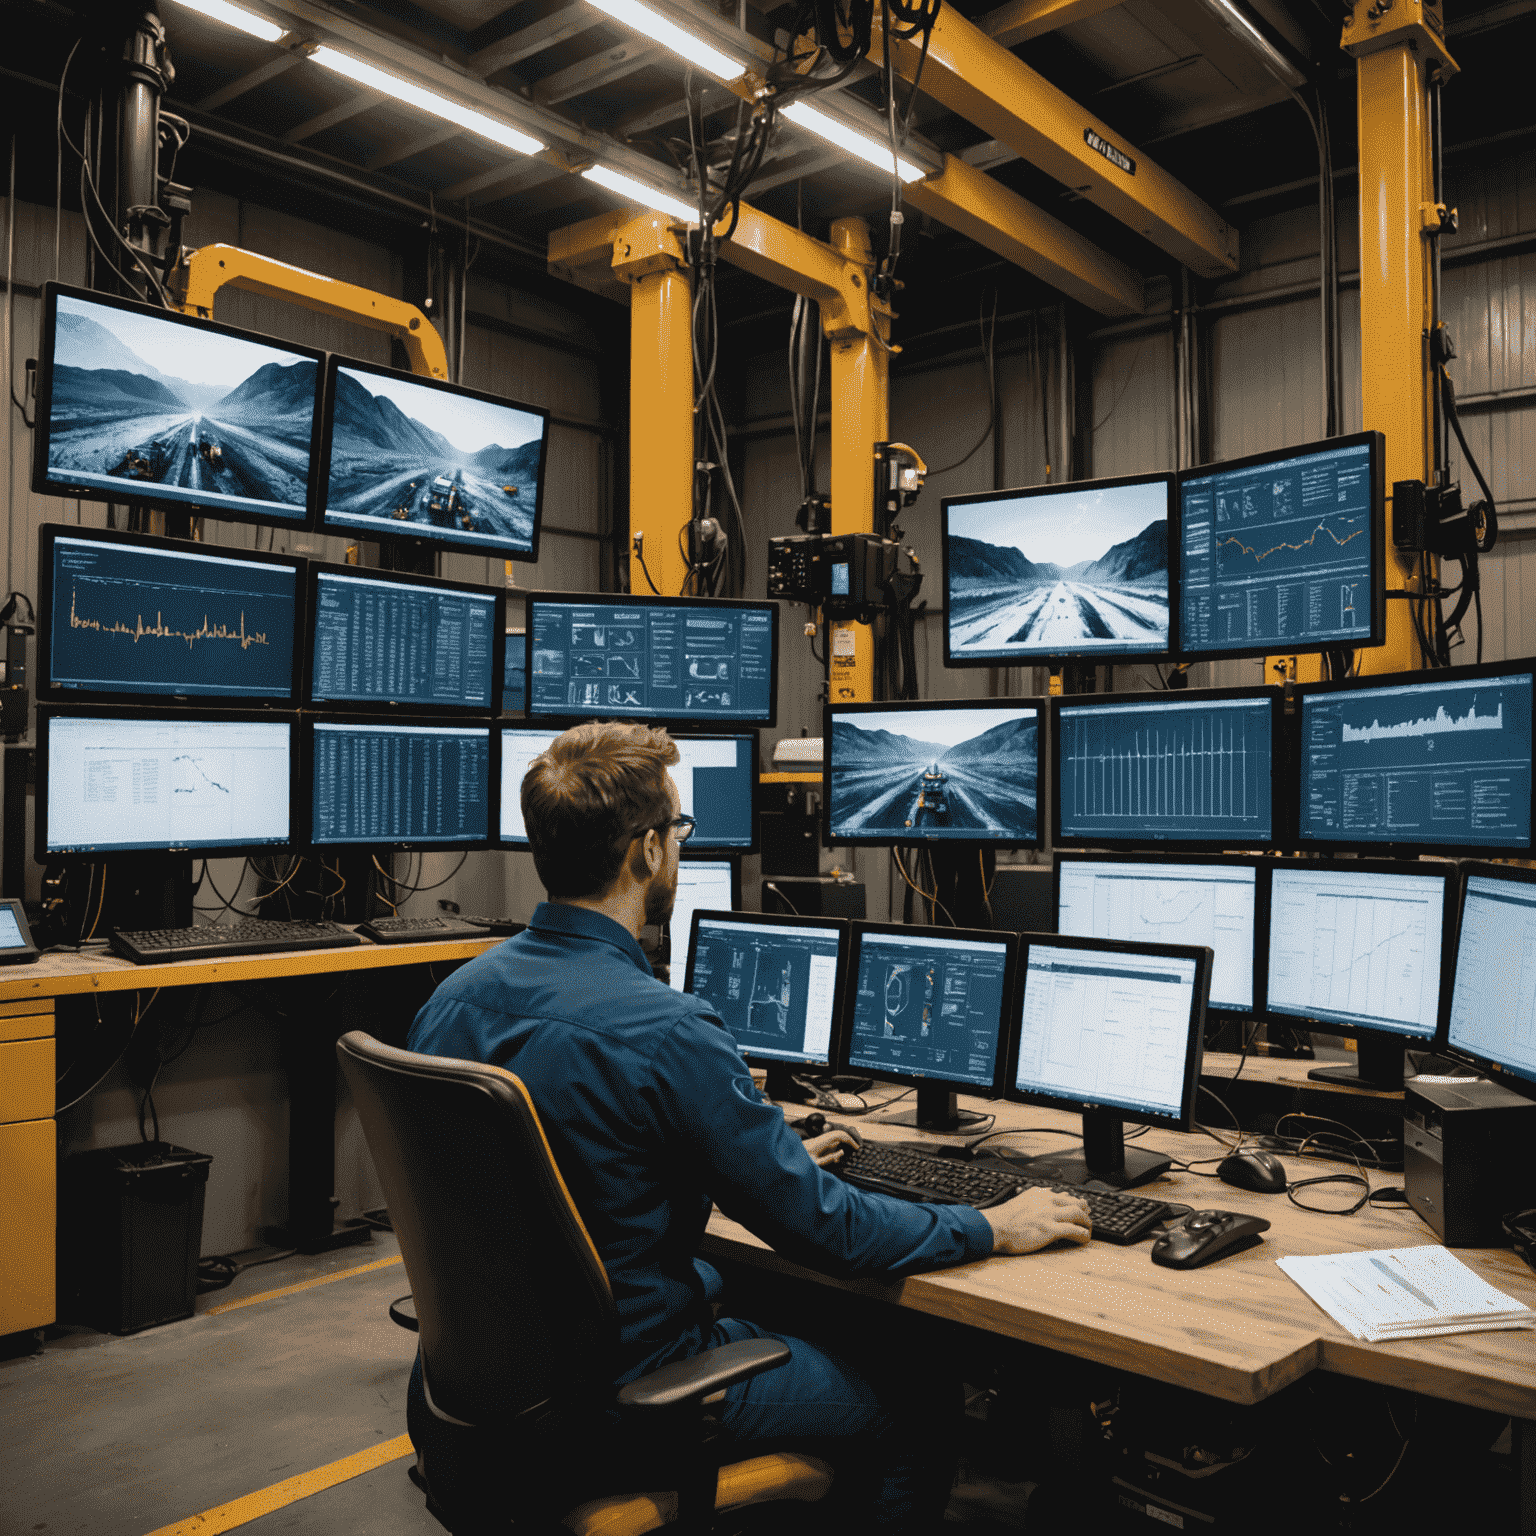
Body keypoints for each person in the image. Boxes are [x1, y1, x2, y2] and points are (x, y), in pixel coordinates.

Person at [407, 720, 1091, 1531]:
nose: (680, 848)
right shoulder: (665, 1029)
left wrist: (752, 1151)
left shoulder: (451, 1000)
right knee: (914, 1394)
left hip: (476, 1401)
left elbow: (570, 1160)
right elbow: (828, 1231)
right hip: (629, 1398)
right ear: (647, 852)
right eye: (679, 830)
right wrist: (988, 1225)